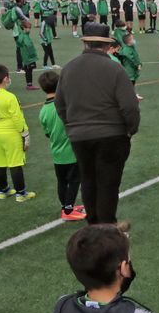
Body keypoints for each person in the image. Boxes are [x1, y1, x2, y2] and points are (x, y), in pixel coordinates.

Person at [55, 23, 141, 225]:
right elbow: (129, 106)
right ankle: (106, 227)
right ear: (107, 46)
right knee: (108, 184)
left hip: (80, 136)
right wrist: (131, 129)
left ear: (85, 43)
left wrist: (72, 126)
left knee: (88, 181)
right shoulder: (115, 68)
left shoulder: (69, 68)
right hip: (112, 135)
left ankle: (94, 225)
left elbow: (60, 104)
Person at [0, 64, 34, 201]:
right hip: (11, 134)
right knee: (15, 163)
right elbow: (17, 117)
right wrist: (25, 133)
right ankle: (21, 194)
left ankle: (3, 191)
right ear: (5, 78)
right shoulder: (10, 97)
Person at [37, 69, 85, 221]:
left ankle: (65, 206)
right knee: (74, 181)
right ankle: (68, 211)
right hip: (71, 152)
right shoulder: (65, 106)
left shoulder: (43, 111)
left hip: (57, 152)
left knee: (62, 181)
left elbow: (47, 133)